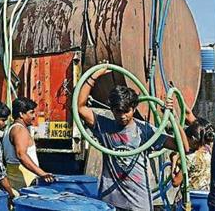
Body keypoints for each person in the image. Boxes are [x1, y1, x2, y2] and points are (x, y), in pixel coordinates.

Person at [77, 73, 189, 211]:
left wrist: (173, 117)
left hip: (138, 202)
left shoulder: (144, 130)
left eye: (127, 111)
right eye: (118, 111)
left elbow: (183, 147)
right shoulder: (105, 126)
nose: (123, 116)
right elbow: (80, 108)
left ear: (134, 108)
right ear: (112, 110)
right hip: (111, 201)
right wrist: (93, 77)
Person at [2, 97, 54, 191]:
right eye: (31, 113)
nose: (34, 116)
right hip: (22, 179)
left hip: (15, 176)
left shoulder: (11, 128)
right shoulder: (20, 130)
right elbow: (21, 155)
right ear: (21, 114)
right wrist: (41, 173)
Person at [171, 117, 214, 192]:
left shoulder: (190, 158)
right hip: (206, 198)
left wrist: (173, 162)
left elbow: (176, 182)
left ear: (193, 139)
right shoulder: (210, 153)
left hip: (192, 199)